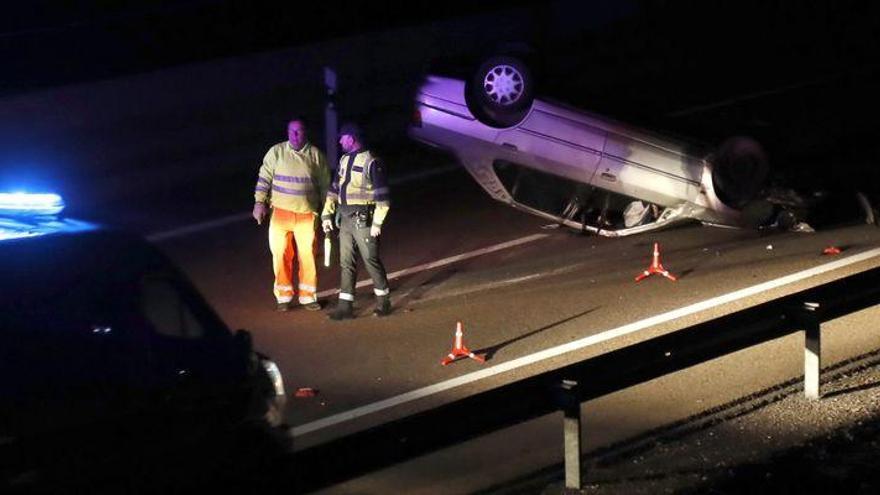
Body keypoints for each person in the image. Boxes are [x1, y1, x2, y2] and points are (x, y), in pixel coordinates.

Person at [253, 118, 330, 312]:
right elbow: (264, 178)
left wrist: (327, 213)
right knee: (280, 256)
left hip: (306, 214)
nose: (295, 135)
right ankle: (284, 297)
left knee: (308, 257)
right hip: (280, 214)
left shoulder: (315, 156)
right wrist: (259, 203)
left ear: (305, 133)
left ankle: (308, 297)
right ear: (287, 133)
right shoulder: (276, 152)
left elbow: (325, 187)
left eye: (299, 131)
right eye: (292, 131)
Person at [322, 123, 391, 320]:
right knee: (346, 263)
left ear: (351, 138)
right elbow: (334, 190)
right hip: (344, 219)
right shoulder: (344, 160)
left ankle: (384, 303)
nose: (340, 141)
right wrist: (327, 215)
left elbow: (382, 198)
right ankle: (345, 307)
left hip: (364, 219)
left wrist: (377, 223)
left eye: (342, 138)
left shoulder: (372, 161)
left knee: (371, 260)